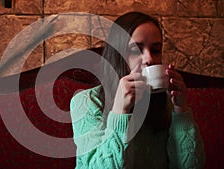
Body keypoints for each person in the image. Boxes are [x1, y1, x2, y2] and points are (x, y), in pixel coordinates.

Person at [70, 12, 205, 169]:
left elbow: (191, 166)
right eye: (136, 50)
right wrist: (121, 111)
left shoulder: (166, 102)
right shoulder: (88, 101)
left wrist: (181, 111)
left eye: (155, 50)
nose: (149, 59)